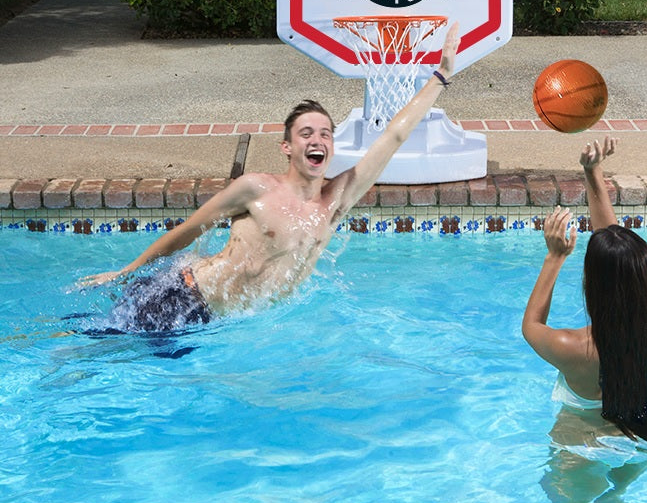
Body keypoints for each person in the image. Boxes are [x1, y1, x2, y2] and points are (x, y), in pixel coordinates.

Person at [78, 22, 460, 332]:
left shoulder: (334, 202)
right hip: (182, 295)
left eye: (325, 133)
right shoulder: (256, 188)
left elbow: (393, 135)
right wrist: (126, 270)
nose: (317, 140)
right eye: (306, 134)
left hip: (212, 322)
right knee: (87, 348)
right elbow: (191, 229)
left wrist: (440, 76)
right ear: (287, 148)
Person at [521, 136, 647, 449]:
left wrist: (555, 257)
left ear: (593, 287)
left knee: (568, 499)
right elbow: (617, 251)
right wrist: (593, 173)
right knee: (619, 500)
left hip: (580, 441)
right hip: (642, 434)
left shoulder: (574, 348)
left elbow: (531, 327)